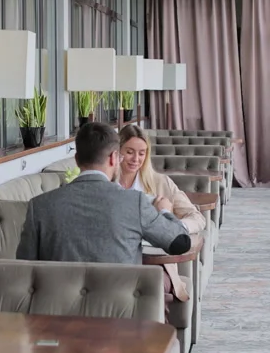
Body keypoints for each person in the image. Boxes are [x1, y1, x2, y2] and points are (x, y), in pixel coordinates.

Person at [16, 123, 191, 314]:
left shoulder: (39, 206)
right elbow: (180, 242)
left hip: (57, 317)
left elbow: (25, 270)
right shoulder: (135, 202)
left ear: (76, 159)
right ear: (114, 158)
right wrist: (164, 211)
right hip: (120, 317)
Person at [118, 125, 205, 235]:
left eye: (141, 153)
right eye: (129, 152)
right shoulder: (105, 182)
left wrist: (174, 227)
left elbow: (197, 217)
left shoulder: (161, 182)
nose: (136, 159)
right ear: (117, 151)